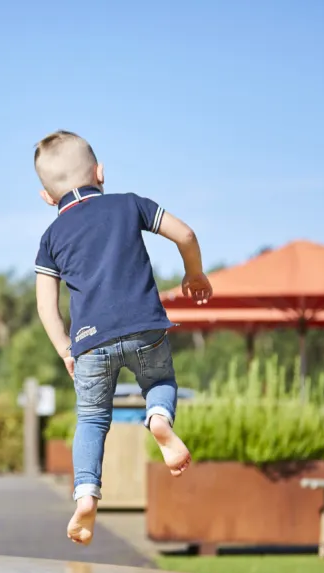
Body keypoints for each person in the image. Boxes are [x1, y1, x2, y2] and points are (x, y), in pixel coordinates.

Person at [32, 130, 212, 546]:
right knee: (160, 382)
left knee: (92, 419)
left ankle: (85, 494)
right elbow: (185, 234)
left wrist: (65, 349)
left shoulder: (51, 238)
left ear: (46, 197)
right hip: (145, 326)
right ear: (100, 173)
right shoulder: (129, 203)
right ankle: (160, 420)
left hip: (90, 342)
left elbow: (46, 305)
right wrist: (195, 273)